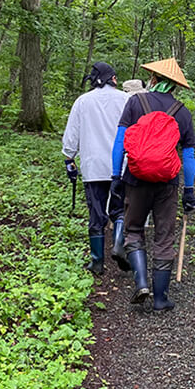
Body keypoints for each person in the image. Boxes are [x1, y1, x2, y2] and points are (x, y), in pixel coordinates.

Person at [111, 57, 195, 311]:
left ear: (154, 79)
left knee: (134, 229)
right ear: (174, 86)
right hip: (167, 182)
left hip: (136, 179)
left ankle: (141, 283)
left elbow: (120, 142)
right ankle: (160, 298)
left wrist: (116, 176)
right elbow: (189, 156)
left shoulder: (136, 102)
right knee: (164, 235)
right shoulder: (182, 112)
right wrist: (189, 190)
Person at [62, 61, 130, 276]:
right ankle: (119, 244)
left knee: (96, 213)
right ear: (112, 78)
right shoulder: (126, 99)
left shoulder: (83, 101)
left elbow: (72, 134)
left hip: (93, 166)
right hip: (121, 165)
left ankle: (97, 262)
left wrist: (69, 157)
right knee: (119, 209)